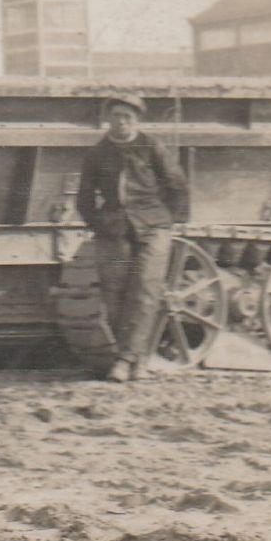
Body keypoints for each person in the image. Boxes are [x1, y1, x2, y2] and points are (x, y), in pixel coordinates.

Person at [75, 94, 190, 383]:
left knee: (145, 290)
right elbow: (84, 197)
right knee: (113, 295)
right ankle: (137, 359)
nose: (122, 122)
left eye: (128, 117)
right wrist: (99, 224)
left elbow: (177, 184)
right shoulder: (98, 153)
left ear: (137, 120)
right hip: (115, 229)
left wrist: (167, 220)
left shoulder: (152, 147)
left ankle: (125, 360)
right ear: (108, 119)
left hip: (153, 228)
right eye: (116, 116)